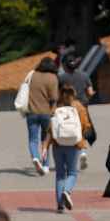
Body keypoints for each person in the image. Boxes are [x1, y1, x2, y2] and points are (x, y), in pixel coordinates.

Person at [42, 83, 91, 212]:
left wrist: (45, 147)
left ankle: (59, 205)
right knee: (73, 172)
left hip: (58, 145)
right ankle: (67, 191)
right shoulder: (79, 107)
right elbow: (86, 126)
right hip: (74, 145)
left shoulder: (56, 108)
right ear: (73, 94)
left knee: (60, 174)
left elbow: (50, 129)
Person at [25, 56, 60, 176]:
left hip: (32, 112)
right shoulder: (53, 78)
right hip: (47, 113)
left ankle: (35, 156)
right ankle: (45, 164)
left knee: (32, 139)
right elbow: (54, 98)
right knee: (46, 140)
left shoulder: (32, 75)